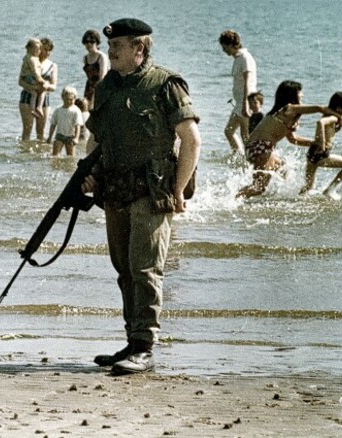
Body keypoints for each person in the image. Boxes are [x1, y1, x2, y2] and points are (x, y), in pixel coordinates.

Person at [81, 19, 201, 375]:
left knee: (145, 268)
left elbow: (191, 140)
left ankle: (145, 348)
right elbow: (96, 140)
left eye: (117, 46)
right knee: (124, 270)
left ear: (140, 49)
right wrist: (88, 173)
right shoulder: (106, 88)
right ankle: (132, 342)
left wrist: (178, 190)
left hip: (153, 191)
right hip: (114, 190)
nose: (110, 51)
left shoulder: (166, 84)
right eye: (110, 46)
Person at [237, 81, 335, 199]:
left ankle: (283, 197)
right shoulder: (288, 108)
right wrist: (338, 116)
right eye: (300, 91)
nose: (302, 94)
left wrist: (314, 143)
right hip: (260, 147)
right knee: (258, 188)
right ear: (292, 95)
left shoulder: (287, 114)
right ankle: (232, 201)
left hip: (259, 147)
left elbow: (293, 139)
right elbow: (319, 108)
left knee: (283, 167)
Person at [219, 30, 257, 155]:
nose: (224, 50)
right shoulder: (238, 58)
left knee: (245, 135)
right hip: (239, 103)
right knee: (229, 131)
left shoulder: (245, 58)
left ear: (231, 44)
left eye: (224, 47)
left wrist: (246, 105)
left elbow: (248, 82)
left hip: (246, 102)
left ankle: (251, 162)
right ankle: (240, 157)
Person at [19, 38, 58, 142]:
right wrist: (35, 88)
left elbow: (54, 86)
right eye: (44, 49)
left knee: (41, 132)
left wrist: (46, 86)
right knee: (27, 130)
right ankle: (24, 154)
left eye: (49, 50)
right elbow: (20, 82)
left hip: (44, 99)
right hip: (27, 97)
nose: (46, 52)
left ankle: (39, 156)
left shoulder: (52, 65)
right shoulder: (30, 60)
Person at [47, 86, 83, 156]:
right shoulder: (58, 110)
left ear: (75, 98)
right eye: (66, 99)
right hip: (59, 135)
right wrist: (50, 137)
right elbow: (53, 124)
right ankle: (55, 166)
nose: (69, 101)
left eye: (71, 99)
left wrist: (76, 138)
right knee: (55, 156)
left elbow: (77, 126)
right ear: (62, 97)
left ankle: (69, 166)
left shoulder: (76, 110)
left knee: (70, 156)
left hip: (71, 136)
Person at [82, 29, 110, 109]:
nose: (89, 44)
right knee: (86, 111)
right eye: (86, 42)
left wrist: (96, 93)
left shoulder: (102, 57)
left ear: (97, 43)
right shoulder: (85, 58)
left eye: (92, 42)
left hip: (102, 87)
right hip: (89, 87)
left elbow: (103, 76)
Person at [19, 38, 46, 119]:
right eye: (34, 48)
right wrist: (41, 80)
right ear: (29, 48)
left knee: (34, 93)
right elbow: (35, 72)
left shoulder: (29, 58)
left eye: (39, 49)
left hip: (28, 78)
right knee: (43, 89)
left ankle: (33, 109)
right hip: (30, 78)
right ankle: (39, 107)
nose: (37, 50)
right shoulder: (32, 59)